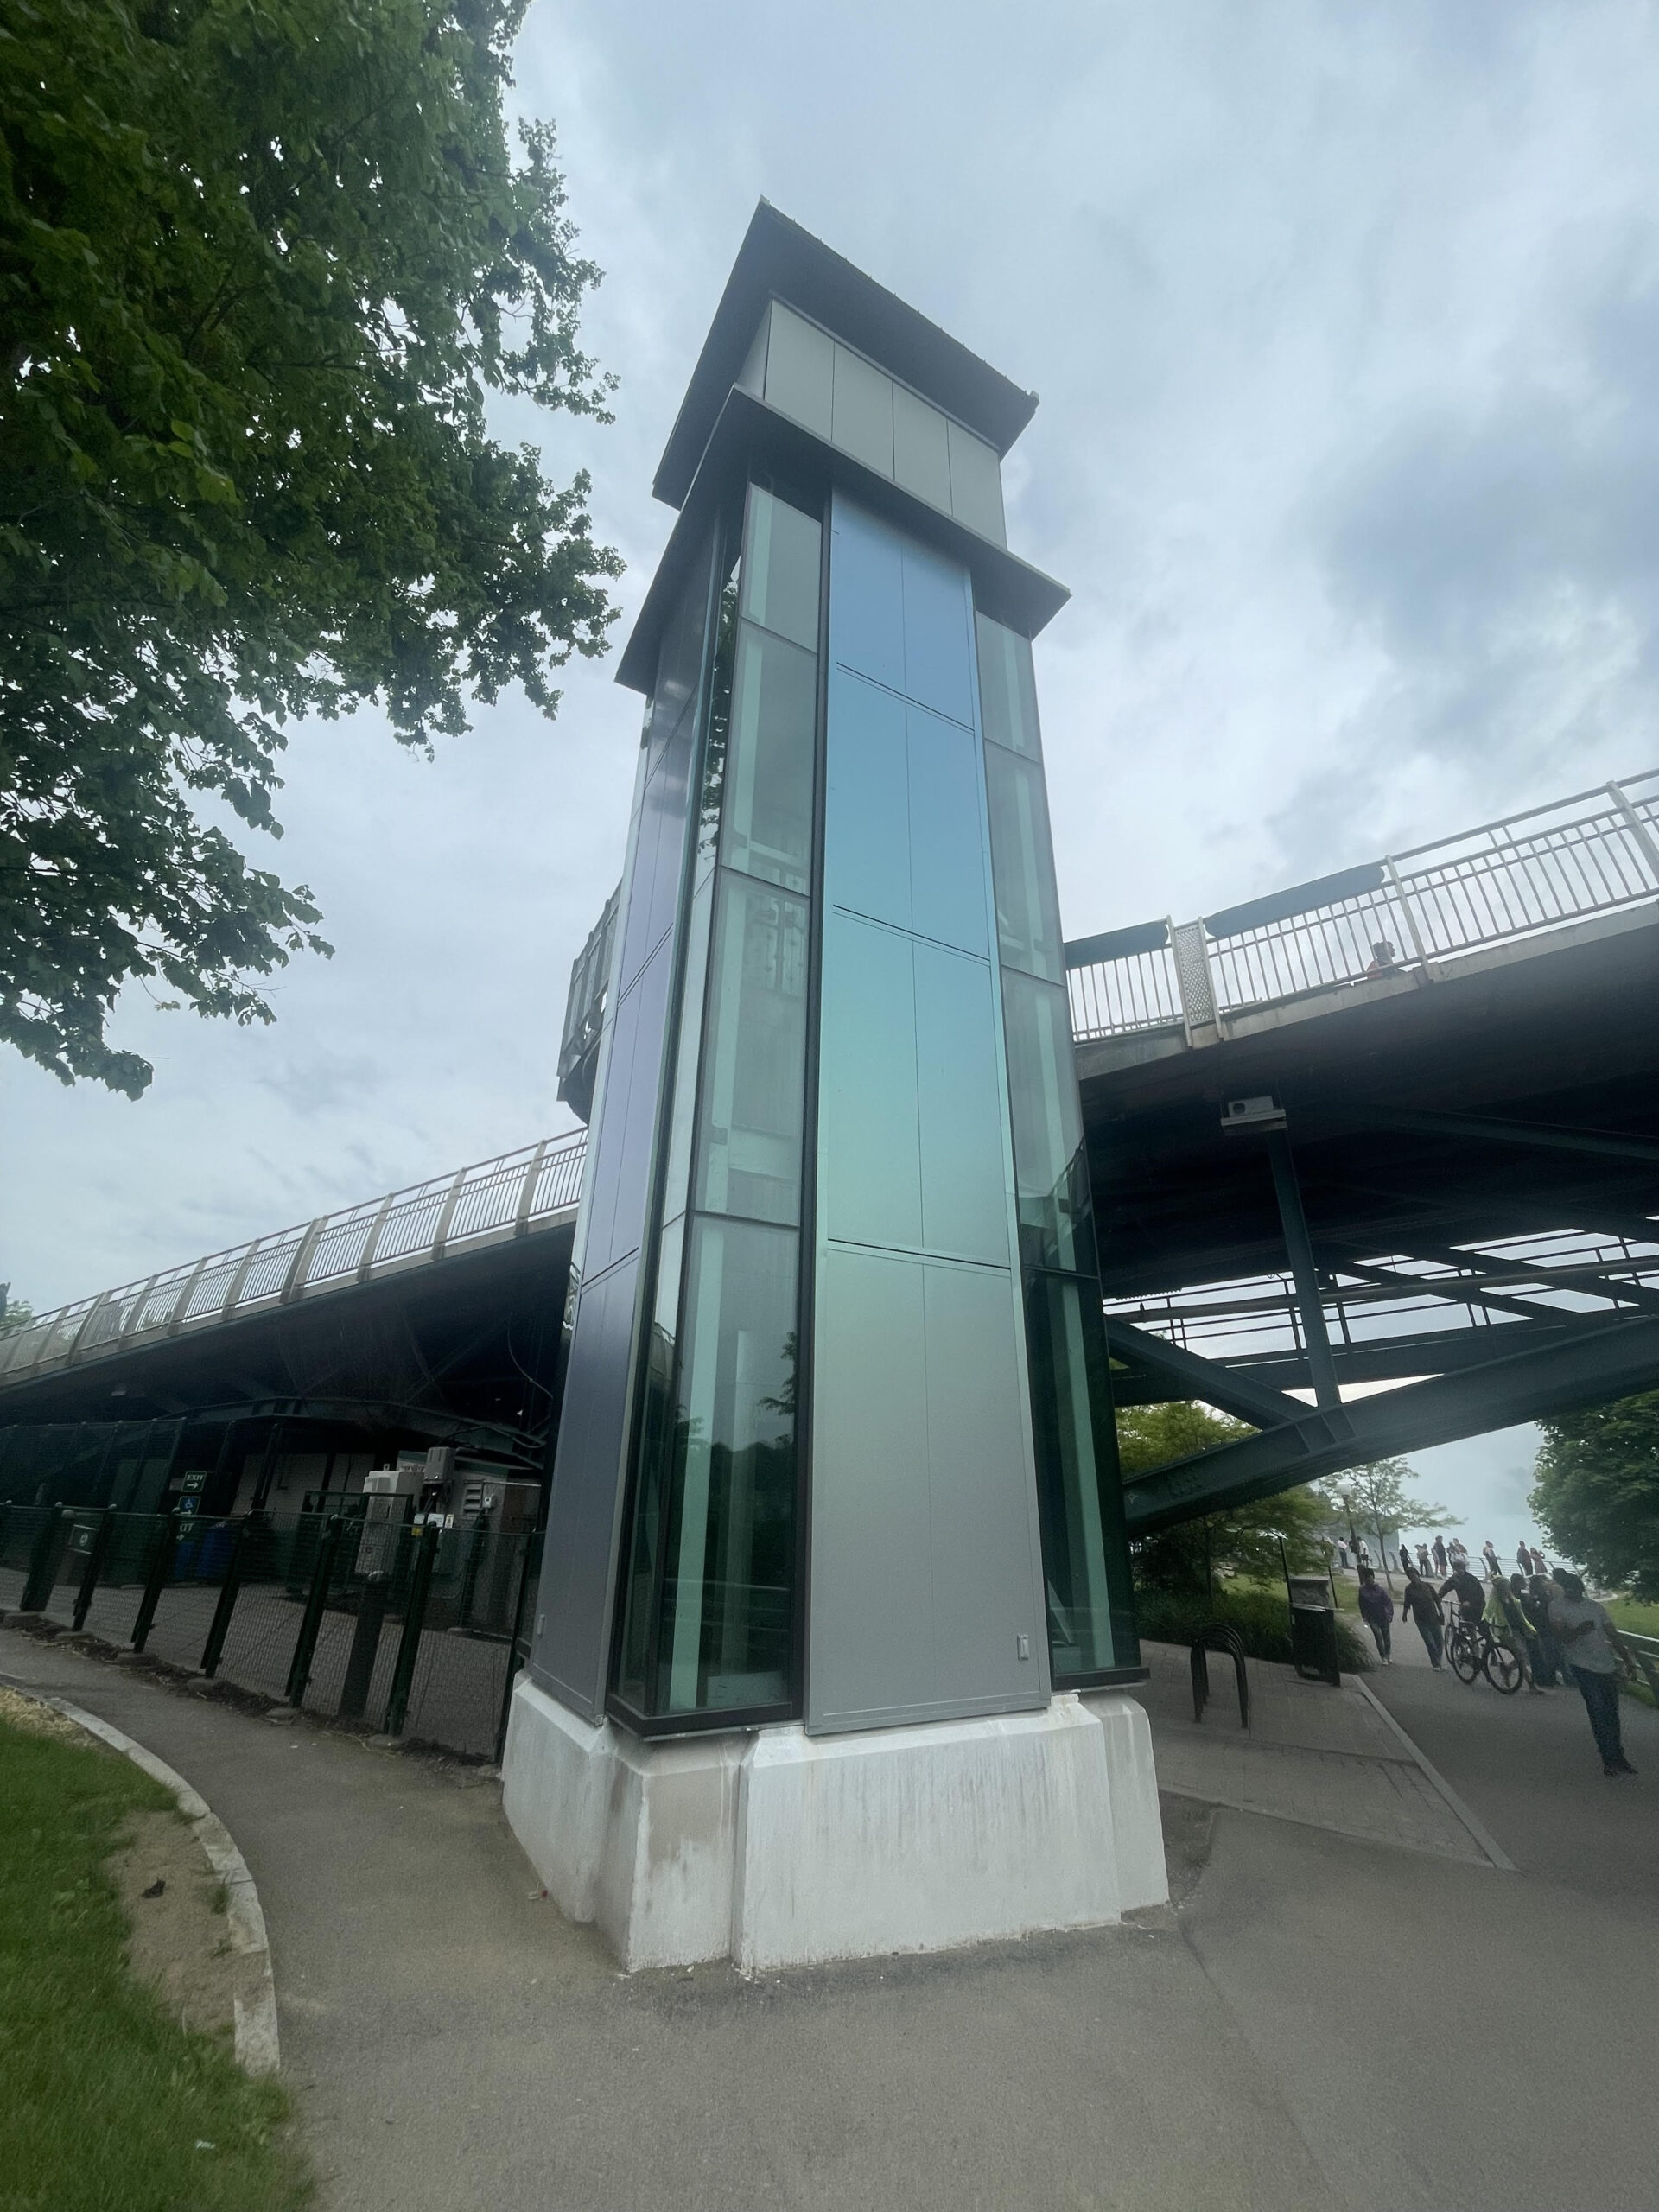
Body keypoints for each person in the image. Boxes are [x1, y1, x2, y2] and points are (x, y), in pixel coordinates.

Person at [1549, 1572, 1639, 1776]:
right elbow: (1560, 1636)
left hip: (1605, 1664)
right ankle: (1609, 1758)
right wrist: (1578, 1631)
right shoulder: (1557, 1607)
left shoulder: (1595, 1607)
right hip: (1582, 1665)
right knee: (1597, 1709)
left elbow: (1612, 1635)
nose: (1573, 1592)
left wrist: (1627, 1661)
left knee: (1612, 1712)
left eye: (1576, 1588)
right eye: (1569, 1589)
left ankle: (1618, 1754)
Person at [1488, 1571, 1545, 1694]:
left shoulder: (1514, 1597)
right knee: (1521, 1654)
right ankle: (1530, 1685)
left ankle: (1508, 1669)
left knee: (1523, 1655)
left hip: (1516, 1629)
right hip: (1504, 1630)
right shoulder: (1499, 1599)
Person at [1401, 1567, 1445, 1669]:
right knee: (1429, 1641)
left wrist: (1441, 1613)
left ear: (1418, 1575)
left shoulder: (1427, 1586)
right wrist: (1404, 1614)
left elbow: (1437, 1600)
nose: (1413, 1578)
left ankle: (1438, 1659)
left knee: (1439, 1640)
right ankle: (1436, 1663)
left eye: (1414, 1575)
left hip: (1433, 1617)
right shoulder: (1409, 1589)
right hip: (1420, 1619)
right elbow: (1407, 1603)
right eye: (1410, 1576)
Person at [1357, 1566, 1395, 1664]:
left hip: (1383, 1615)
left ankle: (1388, 1654)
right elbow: (1361, 1604)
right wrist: (1364, 1616)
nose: (1368, 1578)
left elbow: (1388, 1602)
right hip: (1371, 1616)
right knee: (1378, 1636)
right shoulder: (1362, 1590)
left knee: (1386, 1636)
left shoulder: (1380, 1589)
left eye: (1370, 1576)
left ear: (1372, 1577)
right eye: (1366, 1577)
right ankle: (1383, 1657)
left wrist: (1389, 1614)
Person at [1439, 1559, 1485, 1624]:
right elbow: (1445, 1588)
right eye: (1456, 1569)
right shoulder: (1454, 1579)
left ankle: (1477, 1632)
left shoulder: (1472, 1579)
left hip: (1476, 1605)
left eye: (1459, 1568)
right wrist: (1438, 1596)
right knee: (1462, 1617)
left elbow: (1479, 1594)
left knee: (1473, 1623)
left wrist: (1470, 1602)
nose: (1458, 1571)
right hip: (1463, 1605)